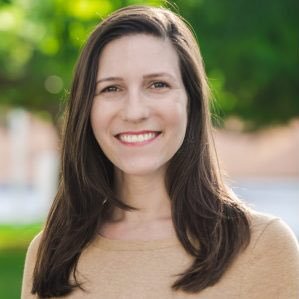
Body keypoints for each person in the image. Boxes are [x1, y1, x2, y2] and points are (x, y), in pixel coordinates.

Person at [21, 5, 299, 299]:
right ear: (86, 109)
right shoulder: (51, 252)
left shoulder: (261, 246)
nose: (135, 111)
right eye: (111, 89)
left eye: (158, 84)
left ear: (190, 102)